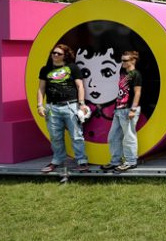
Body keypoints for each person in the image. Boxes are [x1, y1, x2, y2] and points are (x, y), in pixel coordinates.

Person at [37, 44, 90, 173]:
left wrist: (82, 104)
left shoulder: (72, 68)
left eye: (58, 53)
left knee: (77, 135)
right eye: (53, 53)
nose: (55, 55)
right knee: (55, 137)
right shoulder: (45, 69)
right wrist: (40, 105)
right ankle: (57, 160)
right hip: (52, 107)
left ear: (65, 55)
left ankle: (82, 161)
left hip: (70, 106)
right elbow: (41, 88)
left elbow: (80, 86)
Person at [102, 50, 143, 172]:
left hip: (128, 109)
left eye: (125, 60)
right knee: (113, 136)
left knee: (129, 136)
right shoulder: (123, 72)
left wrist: (133, 109)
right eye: (122, 60)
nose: (123, 62)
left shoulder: (136, 74)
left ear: (133, 61)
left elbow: (137, 92)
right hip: (119, 109)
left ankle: (131, 161)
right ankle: (115, 161)